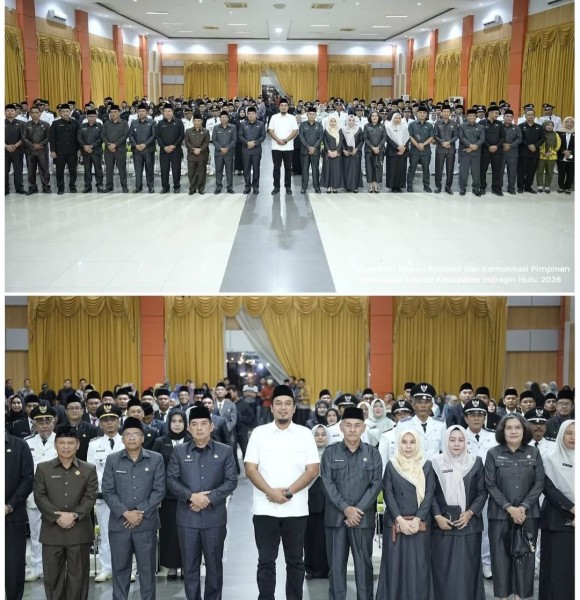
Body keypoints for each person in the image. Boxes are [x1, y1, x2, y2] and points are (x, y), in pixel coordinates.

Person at [244, 384, 320, 600]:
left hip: (295, 509)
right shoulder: (259, 433)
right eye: (278, 403)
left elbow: (313, 469)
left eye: (288, 404)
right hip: (264, 509)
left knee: (295, 561)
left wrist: (287, 493)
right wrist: (271, 492)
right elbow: (250, 468)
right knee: (266, 561)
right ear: (272, 408)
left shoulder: (305, 434)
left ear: (294, 408)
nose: (283, 408)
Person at [167, 404, 238, 599]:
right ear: (188, 428)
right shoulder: (179, 451)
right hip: (187, 519)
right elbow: (171, 480)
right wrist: (191, 496)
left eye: (203, 424)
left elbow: (231, 481)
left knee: (214, 567)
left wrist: (208, 498)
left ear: (211, 426)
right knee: (190, 567)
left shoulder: (224, 451)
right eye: (195, 424)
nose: (199, 428)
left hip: (214, 519)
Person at [320, 406, 383, 600]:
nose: (353, 429)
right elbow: (327, 484)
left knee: (364, 567)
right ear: (341, 427)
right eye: (348, 425)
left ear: (363, 428)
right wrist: (346, 509)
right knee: (336, 568)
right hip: (335, 520)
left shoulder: (373, 454)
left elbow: (376, 485)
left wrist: (357, 511)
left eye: (357, 425)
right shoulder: (330, 453)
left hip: (362, 521)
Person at [102, 416, 166, 600]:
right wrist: (126, 513)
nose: (131, 437)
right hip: (119, 525)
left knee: (147, 571)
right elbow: (107, 491)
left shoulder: (156, 459)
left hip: (146, 524)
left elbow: (159, 490)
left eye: (136, 434)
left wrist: (139, 513)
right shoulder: (112, 460)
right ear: (122, 438)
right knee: (120, 570)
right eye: (127, 434)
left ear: (143, 438)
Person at [33, 425, 98, 599]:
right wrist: (57, 516)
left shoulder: (89, 469)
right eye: (62, 443)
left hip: (79, 532)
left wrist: (74, 515)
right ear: (55, 445)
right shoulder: (43, 468)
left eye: (70, 443)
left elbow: (90, 496)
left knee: (79, 577)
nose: (66, 447)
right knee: (52, 578)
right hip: (52, 532)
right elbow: (39, 496)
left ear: (78, 444)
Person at [485, 413, 545, 600]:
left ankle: (520, 597)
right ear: (502, 431)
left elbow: (539, 483)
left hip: (528, 516)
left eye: (517, 427)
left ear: (524, 430)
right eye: (509, 427)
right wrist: (510, 508)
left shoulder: (533, 452)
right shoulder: (493, 453)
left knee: (524, 561)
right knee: (500, 560)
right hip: (500, 515)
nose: (513, 431)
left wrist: (523, 507)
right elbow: (490, 484)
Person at [376, 427, 436, 600]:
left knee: (419, 567)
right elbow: (388, 494)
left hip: (420, 526)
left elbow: (429, 494)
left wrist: (417, 519)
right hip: (396, 525)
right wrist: (400, 520)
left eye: (412, 442)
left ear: (418, 444)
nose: (408, 446)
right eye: (404, 442)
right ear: (398, 444)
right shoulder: (392, 465)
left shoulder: (426, 465)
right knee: (395, 566)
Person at [431, 426, 487, 600]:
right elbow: (429, 493)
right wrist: (437, 516)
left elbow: (482, 492)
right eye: (452, 439)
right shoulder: (434, 463)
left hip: (469, 527)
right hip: (442, 527)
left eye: (461, 440)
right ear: (445, 441)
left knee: (467, 572)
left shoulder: (475, 462)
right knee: (443, 571)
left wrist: (470, 513)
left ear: (466, 442)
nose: (456, 444)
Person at [86, 403, 124, 582]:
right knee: (105, 533)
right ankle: (106, 568)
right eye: (105, 420)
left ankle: (126, 568)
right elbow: (91, 471)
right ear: (100, 424)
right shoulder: (94, 445)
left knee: (126, 533)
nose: (109, 423)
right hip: (103, 496)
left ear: (119, 421)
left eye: (113, 419)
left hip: (125, 496)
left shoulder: (126, 440)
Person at [152, 409, 191, 580]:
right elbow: (155, 470)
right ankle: (171, 567)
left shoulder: (192, 441)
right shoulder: (160, 442)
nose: (177, 424)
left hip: (189, 496)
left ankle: (187, 566)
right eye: (173, 421)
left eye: (180, 421)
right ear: (168, 423)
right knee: (169, 532)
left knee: (188, 532)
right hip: (167, 497)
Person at [539, 419, 575, 600]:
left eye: (576, 434)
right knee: (555, 572)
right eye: (569, 433)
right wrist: (574, 509)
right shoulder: (549, 458)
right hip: (556, 523)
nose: (573, 437)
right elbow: (549, 489)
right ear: (561, 434)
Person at [24, 405, 59, 582]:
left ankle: (56, 567)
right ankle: (37, 567)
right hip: (33, 494)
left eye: (47, 421)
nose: (44, 425)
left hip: (57, 495)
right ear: (34, 424)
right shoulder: (27, 443)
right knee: (36, 532)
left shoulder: (62, 440)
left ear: (54, 422)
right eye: (40, 422)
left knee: (57, 532)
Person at [5, 429, 34, 600]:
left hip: (12, 515)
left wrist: (9, 505)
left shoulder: (20, 445)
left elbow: (27, 478)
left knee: (13, 565)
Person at [304, 424, 330, 580]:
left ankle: (327, 569)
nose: (320, 437)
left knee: (327, 538)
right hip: (310, 500)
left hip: (330, 502)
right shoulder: (306, 454)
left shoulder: (333, 454)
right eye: (317, 435)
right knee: (310, 536)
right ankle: (310, 569)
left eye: (323, 434)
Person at [268, 98, 299, 195]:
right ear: (279, 107)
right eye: (282, 105)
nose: (283, 107)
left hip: (288, 147)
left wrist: (285, 140)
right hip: (276, 147)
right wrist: (278, 140)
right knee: (276, 168)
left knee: (288, 168)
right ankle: (276, 187)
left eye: (285, 105)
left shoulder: (292, 118)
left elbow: (295, 131)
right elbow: (270, 130)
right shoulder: (274, 117)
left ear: (288, 107)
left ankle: (288, 186)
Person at [49, 103, 80, 194]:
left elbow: (79, 137)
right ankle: (60, 188)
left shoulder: (76, 123)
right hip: (59, 151)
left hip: (73, 151)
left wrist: (79, 149)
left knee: (73, 170)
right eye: (63, 111)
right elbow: (52, 138)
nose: (65, 113)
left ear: (70, 112)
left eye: (67, 111)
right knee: (59, 170)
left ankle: (72, 186)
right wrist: (53, 150)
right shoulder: (55, 123)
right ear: (60, 113)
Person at [21, 105, 52, 194]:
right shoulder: (26, 125)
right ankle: (32, 187)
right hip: (30, 151)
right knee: (31, 170)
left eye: (37, 113)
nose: (35, 114)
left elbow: (48, 137)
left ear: (40, 114)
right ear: (30, 114)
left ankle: (46, 186)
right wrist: (32, 145)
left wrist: (40, 144)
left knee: (44, 169)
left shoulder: (46, 124)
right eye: (33, 113)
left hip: (42, 151)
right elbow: (24, 137)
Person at [156, 102, 185, 193]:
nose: (168, 113)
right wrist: (164, 147)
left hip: (176, 150)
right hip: (164, 151)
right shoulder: (160, 123)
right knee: (164, 170)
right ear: (163, 113)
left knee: (176, 169)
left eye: (169, 111)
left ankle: (176, 186)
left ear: (173, 112)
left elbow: (181, 135)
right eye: (166, 111)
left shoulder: (179, 122)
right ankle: (165, 187)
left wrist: (174, 145)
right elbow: (158, 137)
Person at [238, 106, 266, 194]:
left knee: (256, 169)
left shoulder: (261, 124)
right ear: (247, 115)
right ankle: (247, 186)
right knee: (246, 169)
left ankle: (256, 187)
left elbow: (263, 136)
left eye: (253, 114)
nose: (251, 115)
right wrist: (247, 143)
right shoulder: (243, 124)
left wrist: (255, 143)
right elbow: (240, 136)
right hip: (245, 150)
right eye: (249, 114)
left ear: (256, 114)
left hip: (256, 151)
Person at [129, 103, 156, 193]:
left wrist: (145, 144)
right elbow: (130, 135)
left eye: (143, 111)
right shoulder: (134, 122)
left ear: (147, 112)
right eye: (139, 111)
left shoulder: (152, 122)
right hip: (136, 150)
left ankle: (150, 186)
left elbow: (153, 136)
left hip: (148, 150)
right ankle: (138, 187)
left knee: (149, 169)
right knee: (138, 170)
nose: (141, 113)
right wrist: (135, 145)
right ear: (137, 112)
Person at [102, 104, 129, 193]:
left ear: (119, 113)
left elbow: (125, 135)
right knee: (109, 169)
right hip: (108, 150)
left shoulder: (124, 123)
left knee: (122, 169)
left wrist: (115, 144)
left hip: (120, 150)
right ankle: (109, 186)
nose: (113, 114)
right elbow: (103, 135)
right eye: (111, 112)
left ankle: (124, 186)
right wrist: (109, 144)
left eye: (115, 112)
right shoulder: (106, 123)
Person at [517, 106, 545, 193]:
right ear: (525, 116)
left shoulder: (539, 127)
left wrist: (535, 146)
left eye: (532, 115)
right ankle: (520, 187)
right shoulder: (520, 126)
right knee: (521, 171)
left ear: (534, 116)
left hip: (534, 153)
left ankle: (528, 187)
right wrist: (529, 145)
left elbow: (542, 139)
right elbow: (520, 138)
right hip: (523, 153)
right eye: (528, 115)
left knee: (531, 171)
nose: (530, 116)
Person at [407, 104, 434, 193]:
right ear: (417, 114)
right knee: (412, 168)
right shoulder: (412, 124)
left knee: (426, 169)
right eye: (420, 113)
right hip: (414, 151)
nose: (422, 114)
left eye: (424, 113)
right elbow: (410, 136)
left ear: (426, 114)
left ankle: (426, 186)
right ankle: (409, 185)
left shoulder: (429, 125)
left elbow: (431, 137)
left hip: (426, 151)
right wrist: (417, 145)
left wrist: (423, 144)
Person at [458, 108, 485, 196]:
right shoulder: (462, 126)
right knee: (463, 172)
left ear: (476, 116)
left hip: (476, 153)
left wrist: (475, 146)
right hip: (464, 152)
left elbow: (482, 139)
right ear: (467, 116)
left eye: (473, 116)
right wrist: (470, 145)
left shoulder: (480, 127)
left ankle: (476, 188)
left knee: (476, 172)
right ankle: (462, 188)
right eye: (470, 116)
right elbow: (461, 137)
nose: (472, 117)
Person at [479, 105, 506, 196]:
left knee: (497, 170)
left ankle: (496, 188)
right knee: (483, 170)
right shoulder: (482, 123)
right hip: (485, 150)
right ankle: (482, 186)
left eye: (498, 113)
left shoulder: (500, 123)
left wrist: (496, 146)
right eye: (496, 113)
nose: (497, 115)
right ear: (490, 113)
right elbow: (480, 137)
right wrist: (488, 146)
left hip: (497, 151)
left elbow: (503, 137)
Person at [77, 109, 104, 193]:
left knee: (98, 169)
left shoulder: (100, 126)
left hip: (96, 151)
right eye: (89, 116)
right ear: (86, 117)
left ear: (96, 117)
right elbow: (79, 137)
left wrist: (91, 146)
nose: (91, 118)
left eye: (93, 116)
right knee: (87, 169)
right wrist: (85, 146)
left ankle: (99, 185)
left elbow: (101, 138)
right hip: (85, 152)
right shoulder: (82, 126)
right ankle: (87, 186)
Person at [433, 103, 458, 194]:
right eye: (444, 111)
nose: (446, 113)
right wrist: (443, 143)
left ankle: (448, 187)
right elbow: (435, 135)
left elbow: (456, 136)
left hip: (451, 150)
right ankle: (438, 186)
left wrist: (449, 142)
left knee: (450, 169)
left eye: (448, 111)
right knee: (438, 169)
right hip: (440, 150)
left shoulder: (454, 124)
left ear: (450, 113)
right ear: (441, 113)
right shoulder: (437, 123)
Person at [298, 105, 323, 194]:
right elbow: (301, 137)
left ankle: (317, 187)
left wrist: (314, 147)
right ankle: (304, 187)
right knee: (304, 170)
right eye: (310, 114)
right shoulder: (302, 125)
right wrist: (309, 147)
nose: (311, 116)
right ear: (307, 115)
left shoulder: (319, 125)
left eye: (313, 114)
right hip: (305, 151)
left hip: (315, 152)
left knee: (315, 170)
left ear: (315, 115)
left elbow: (320, 138)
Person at [184, 113, 210, 195]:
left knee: (202, 173)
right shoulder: (188, 131)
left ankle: (201, 188)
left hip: (202, 155)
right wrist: (193, 150)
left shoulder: (206, 131)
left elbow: (206, 143)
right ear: (193, 122)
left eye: (198, 121)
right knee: (191, 173)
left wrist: (200, 149)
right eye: (195, 121)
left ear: (201, 121)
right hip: (191, 155)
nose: (197, 123)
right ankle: (192, 188)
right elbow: (187, 142)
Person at [211, 110, 237, 194]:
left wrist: (227, 148)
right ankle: (218, 187)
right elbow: (214, 140)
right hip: (218, 153)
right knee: (218, 170)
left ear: (228, 118)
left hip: (229, 153)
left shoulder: (233, 127)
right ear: (220, 118)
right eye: (222, 117)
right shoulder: (216, 127)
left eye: (225, 117)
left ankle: (230, 187)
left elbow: (234, 139)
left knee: (229, 171)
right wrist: (220, 148)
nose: (223, 119)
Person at [362, 110, 386, 193]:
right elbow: (365, 138)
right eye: (372, 116)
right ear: (370, 117)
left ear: (378, 117)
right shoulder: (366, 126)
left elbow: (384, 138)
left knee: (378, 168)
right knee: (369, 168)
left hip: (379, 150)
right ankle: (370, 185)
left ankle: (376, 185)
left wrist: (378, 147)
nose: (374, 117)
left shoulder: (382, 126)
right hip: (369, 150)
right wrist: (372, 147)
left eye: (376, 116)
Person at [384, 112, 408, 192]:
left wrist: (403, 148)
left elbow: (408, 138)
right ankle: (393, 186)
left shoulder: (404, 127)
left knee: (401, 169)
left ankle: (399, 186)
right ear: (393, 119)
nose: (397, 120)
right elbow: (388, 139)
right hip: (392, 151)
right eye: (396, 118)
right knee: (392, 170)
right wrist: (397, 147)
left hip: (403, 151)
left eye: (399, 118)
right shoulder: (388, 128)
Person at [5, 103, 25, 195]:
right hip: (4, 151)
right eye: (8, 111)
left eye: (12, 111)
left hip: (18, 151)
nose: (10, 112)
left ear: (15, 112)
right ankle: (4, 189)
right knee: (4, 171)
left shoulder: (21, 124)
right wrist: (6, 146)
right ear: (5, 112)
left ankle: (19, 188)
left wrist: (15, 146)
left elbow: (24, 137)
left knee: (18, 170)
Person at [536, 119, 561, 193]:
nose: (550, 127)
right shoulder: (540, 134)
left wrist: (551, 152)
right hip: (541, 156)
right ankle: (540, 185)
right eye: (548, 125)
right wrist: (542, 152)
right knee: (540, 171)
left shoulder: (556, 134)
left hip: (552, 156)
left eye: (552, 125)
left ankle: (547, 186)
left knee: (550, 172)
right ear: (544, 126)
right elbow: (537, 143)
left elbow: (558, 145)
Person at [321, 116, 344, 193]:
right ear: (329, 122)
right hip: (328, 153)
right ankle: (328, 186)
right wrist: (329, 151)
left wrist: (337, 151)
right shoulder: (326, 130)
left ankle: (335, 187)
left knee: (336, 170)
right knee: (328, 170)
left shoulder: (339, 130)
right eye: (331, 121)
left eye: (334, 121)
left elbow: (341, 141)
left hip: (337, 153)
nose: (333, 123)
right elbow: (324, 141)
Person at [341, 115, 364, 193]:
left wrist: (356, 149)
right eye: (349, 120)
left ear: (355, 121)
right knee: (346, 169)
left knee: (355, 170)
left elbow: (361, 141)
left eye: (353, 120)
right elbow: (341, 141)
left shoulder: (359, 129)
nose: (351, 122)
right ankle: (347, 186)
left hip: (356, 152)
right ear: (347, 121)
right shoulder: (343, 129)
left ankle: (354, 187)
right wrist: (344, 150)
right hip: (346, 152)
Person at [556, 116, 574, 194]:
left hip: (573, 155)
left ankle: (568, 187)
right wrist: (564, 151)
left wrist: (570, 152)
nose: (569, 124)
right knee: (561, 172)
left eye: (571, 122)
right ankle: (561, 187)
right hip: (561, 155)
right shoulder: (559, 132)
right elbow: (557, 143)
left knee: (571, 173)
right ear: (564, 123)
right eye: (567, 122)